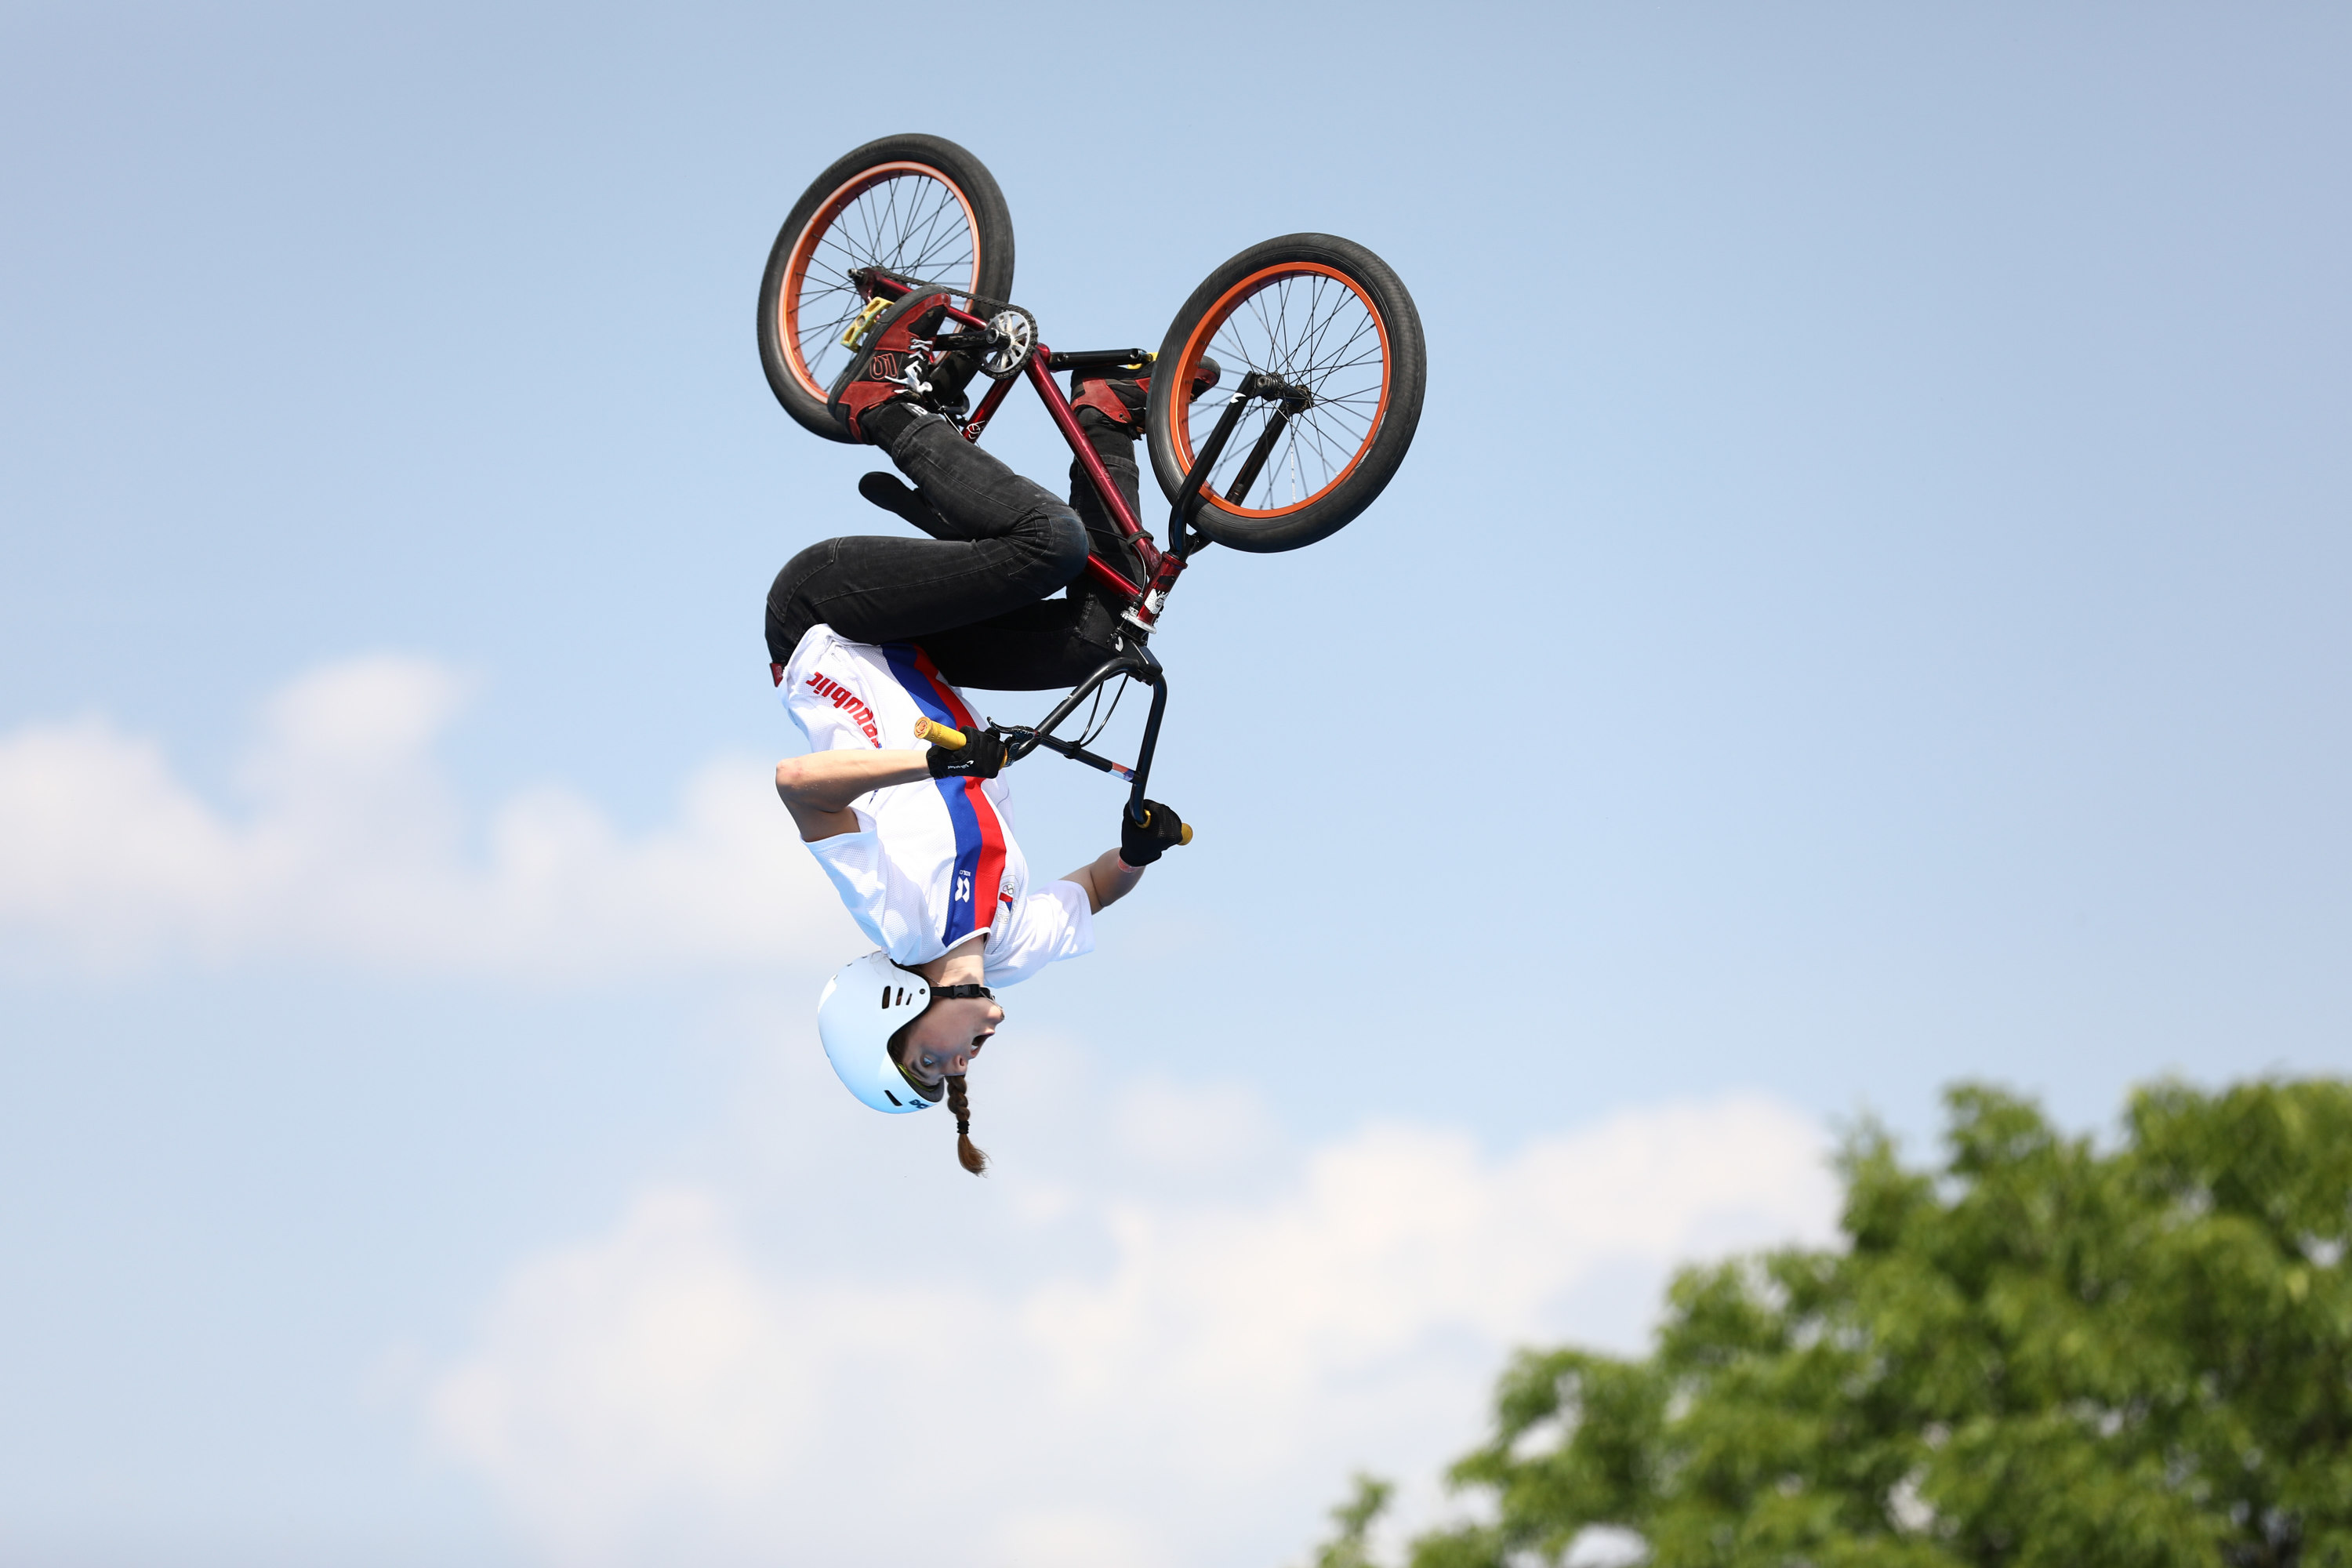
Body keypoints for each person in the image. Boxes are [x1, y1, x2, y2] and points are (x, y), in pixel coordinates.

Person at [766, 283, 1200, 1174]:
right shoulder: (1004, 945)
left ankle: (882, 403)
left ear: (892, 1006)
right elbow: (1089, 892)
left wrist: (933, 756)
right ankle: (1108, 416)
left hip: (826, 619)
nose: (961, 1062)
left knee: (1050, 544)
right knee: (1100, 636)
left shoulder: (895, 913)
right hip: (918, 648)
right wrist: (1139, 853)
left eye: (932, 1058)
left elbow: (799, 789)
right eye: (948, 1075)